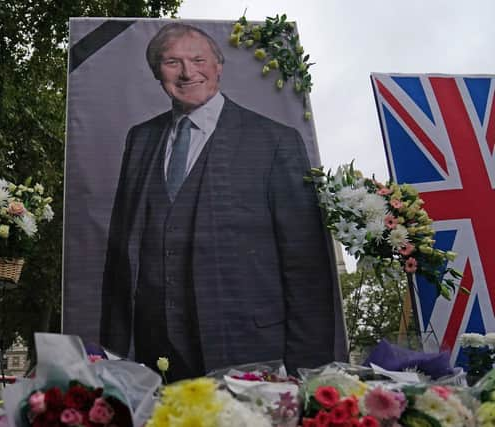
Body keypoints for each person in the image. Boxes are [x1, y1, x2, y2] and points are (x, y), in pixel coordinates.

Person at [100, 22, 346, 380]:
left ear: (218, 67)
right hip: (154, 354)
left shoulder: (275, 141)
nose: (187, 72)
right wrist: (115, 354)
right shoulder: (139, 140)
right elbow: (119, 255)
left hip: (249, 351)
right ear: (157, 73)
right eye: (172, 62)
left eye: (198, 59)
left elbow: (307, 267)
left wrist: (305, 372)